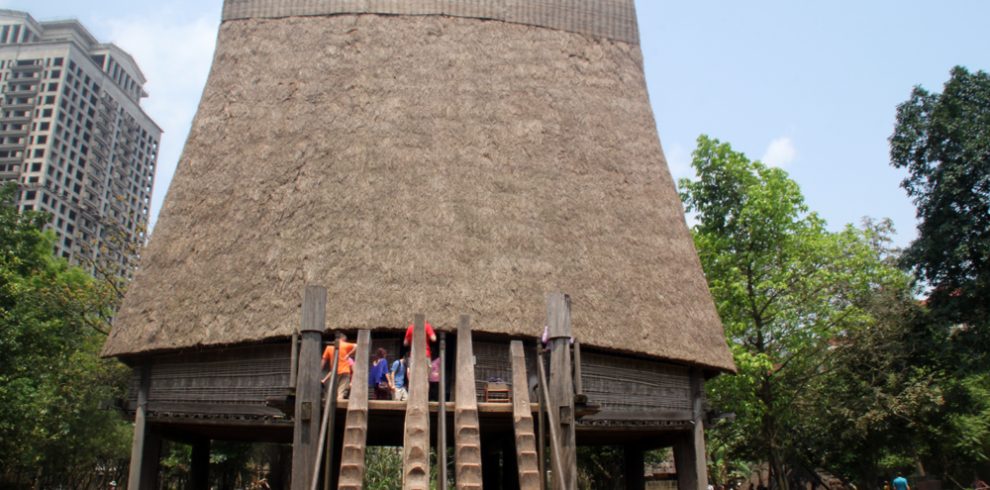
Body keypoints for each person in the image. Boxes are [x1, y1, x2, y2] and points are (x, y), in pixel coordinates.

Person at [321, 335, 356, 399]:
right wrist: (348, 354)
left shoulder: (329, 347)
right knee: (341, 392)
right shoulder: (345, 349)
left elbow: (323, 362)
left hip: (335, 373)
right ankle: (338, 405)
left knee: (335, 392)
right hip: (344, 372)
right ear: (343, 339)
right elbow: (356, 346)